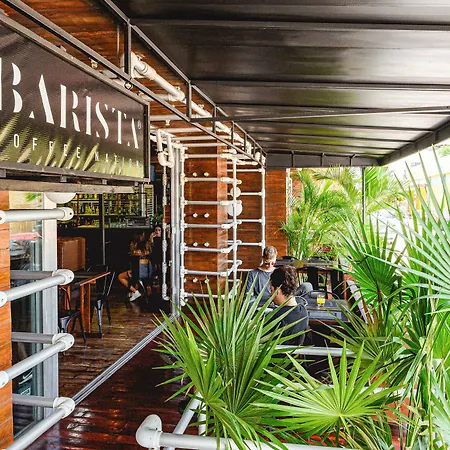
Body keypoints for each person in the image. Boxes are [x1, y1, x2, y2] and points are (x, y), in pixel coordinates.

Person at [269, 265, 309, 346]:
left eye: (271, 290)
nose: (271, 294)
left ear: (278, 290)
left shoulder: (277, 318)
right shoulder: (303, 312)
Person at [118, 231, 152, 301]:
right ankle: (135, 291)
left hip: (138, 273)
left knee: (120, 276)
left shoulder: (135, 252)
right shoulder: (147, 251)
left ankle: (135, 291)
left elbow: (132, 260)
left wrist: (132, 249)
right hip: (148, 273)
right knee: (133, 275)